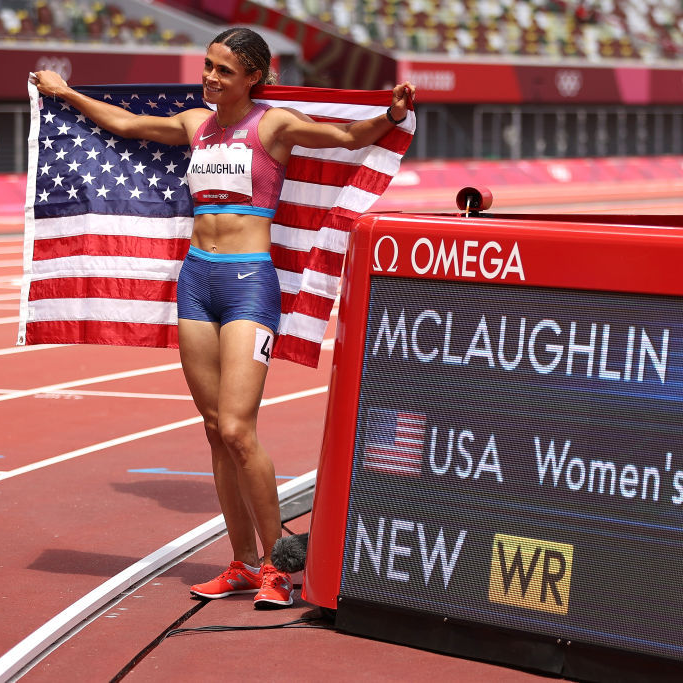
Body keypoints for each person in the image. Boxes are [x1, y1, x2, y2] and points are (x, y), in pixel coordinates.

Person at [30, 26, 414, 609]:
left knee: (237, 429)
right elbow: (129, 125)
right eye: (208, 66)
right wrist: (65, 93)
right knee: (213, 429)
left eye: (224, 71)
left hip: (249, 285)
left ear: (253, 78)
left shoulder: (273, 125)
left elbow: (344, 135)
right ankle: (240, 563)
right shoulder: (194, 124)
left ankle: (277, 567)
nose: (211, 77)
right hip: (196, 281)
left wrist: (389, 114)